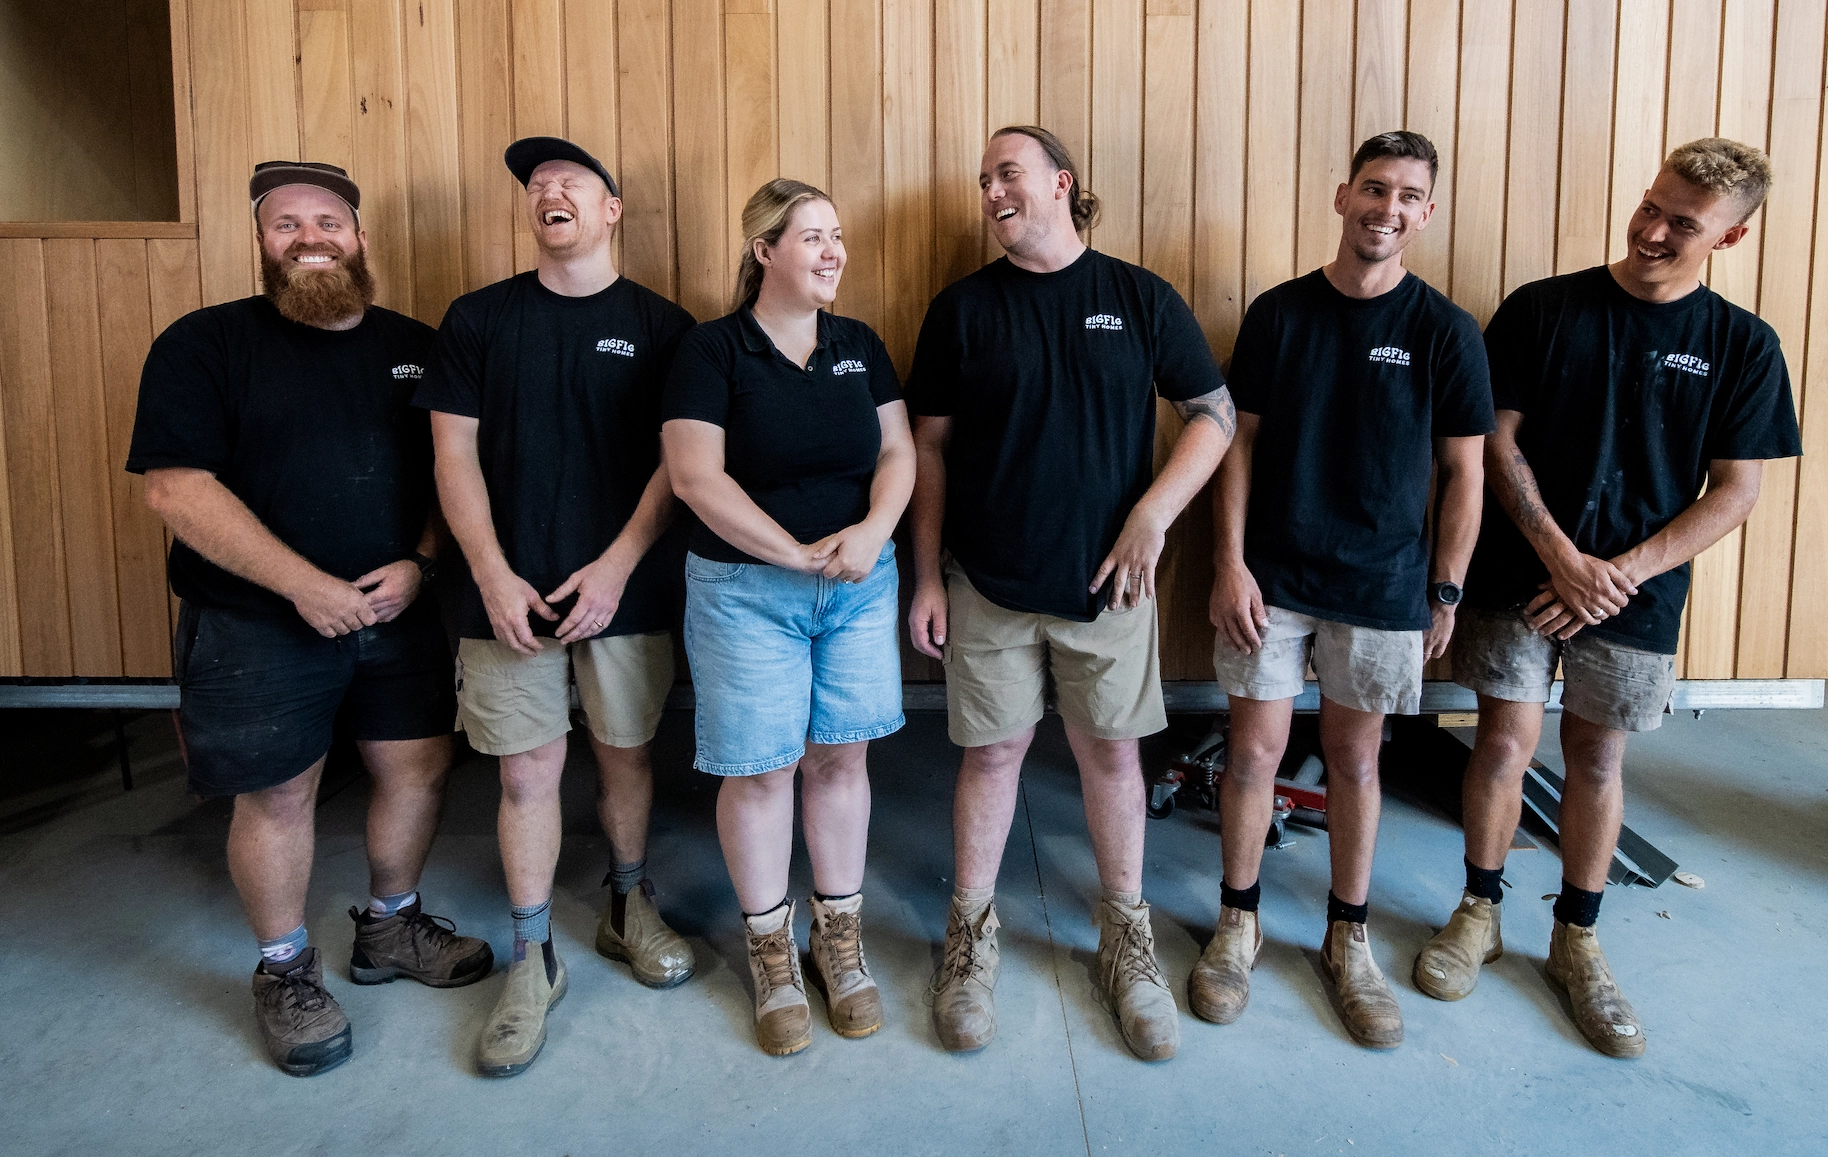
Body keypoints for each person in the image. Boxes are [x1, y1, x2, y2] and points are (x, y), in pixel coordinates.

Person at [1420, 138, 1801, 1058]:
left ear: (1732, 236)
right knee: (1503, 739)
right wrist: (1559, 555)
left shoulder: (1743, 345)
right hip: (1523, 575)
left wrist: (1611, 576)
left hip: (1635, 593)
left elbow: (1737, 491)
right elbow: (1493, 444)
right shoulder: (1545, 309)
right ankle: (1478, 910)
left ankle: (1577, 939)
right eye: (1651, 205)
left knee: (1595, 757)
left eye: (1683, 222)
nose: (1653, 230)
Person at [128, 160, 491, 1077]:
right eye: (285, 224)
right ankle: (284, 969)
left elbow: (457, 472)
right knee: (280, 793)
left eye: (326, 220)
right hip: (256, 621)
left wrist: (421, 562)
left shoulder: (417, 345)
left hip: (396, 611)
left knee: (416, 768)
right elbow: (174, 486)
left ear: (360, 237)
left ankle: (391, 926)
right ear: (261, 242)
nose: (309, 237)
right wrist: (302, 584)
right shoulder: (203, 344)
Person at [908, 125, 1236, 1061]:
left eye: (1007, 173)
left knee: (1110, 757)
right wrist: (926, 574)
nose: (992, 192)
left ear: (1062, 183)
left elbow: (1212, 417)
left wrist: (1155, 515)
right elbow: (926, 450)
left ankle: (1123, 937)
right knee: (993, 754)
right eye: (983, 182)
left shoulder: (1136, 295)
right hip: (987, 581)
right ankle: (969, 937)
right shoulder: (962, 309)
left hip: (1110, 585)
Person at [1196, 131, 1494, 1048]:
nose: (1388, 208)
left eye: (1408, 196)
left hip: (1382, 584)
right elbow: (1236, 443)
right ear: (1341, 196)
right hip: (1272, 580)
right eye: (1374, 189)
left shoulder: (1444, 331)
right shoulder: (1280, 314)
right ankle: (1236, 921)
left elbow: (1465, 472)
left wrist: (1444, 591)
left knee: (1358, 761)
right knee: (1254, 754)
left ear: (1427, 213)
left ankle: (1346, 933)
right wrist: (1229, 561)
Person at [419, 137, 696, 1077]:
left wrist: (619, 565)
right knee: (528, 774)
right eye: (537, 185)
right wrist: (491, 573)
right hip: (505, 598)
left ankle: (627, 904)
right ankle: (532, 955)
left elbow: (679, 462)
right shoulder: (477, 319)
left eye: (572, 180)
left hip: (625, 591)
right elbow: (451, 456)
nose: (550, 190)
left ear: (612, 211)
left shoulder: (664, 326)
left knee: (625, 756)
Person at [662, 179, 913, 1057]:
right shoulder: (711, 349)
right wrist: (794, 553)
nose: (832, 251)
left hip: (857, 581)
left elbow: (898, 450)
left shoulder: (859, 343)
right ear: (763, 251)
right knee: (762, 769)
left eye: (836, 236)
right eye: (811, 237)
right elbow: (696, 477)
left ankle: (836, 941)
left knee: (841, 756)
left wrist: (874, 532)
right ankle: (771, 948)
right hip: (745, 590)